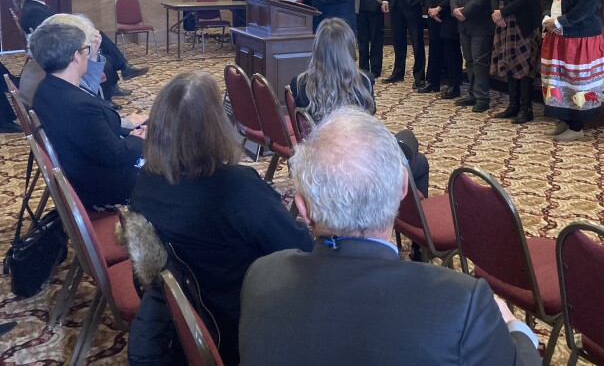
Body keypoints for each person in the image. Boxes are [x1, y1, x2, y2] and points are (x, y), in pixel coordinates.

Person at [238, 106, 542, 366]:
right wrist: (517, 330)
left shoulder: (262, 276)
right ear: (403, 187)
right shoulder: (463, 305)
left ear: (303, 209)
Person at [129, 72, 313, 364]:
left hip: (193, 325)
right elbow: (303, 252)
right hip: (245, 326)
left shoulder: (145, 184)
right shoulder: (237, 188)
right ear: (216, 127)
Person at [291, 18, 429, 197]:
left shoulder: (299, 84)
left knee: (405, 142)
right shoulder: (364, 81)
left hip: (320, 163)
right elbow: (368, 126)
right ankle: (405, 218)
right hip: (359, 165)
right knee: (418, 157)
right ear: (350, 49)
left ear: (317, 49)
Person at [29, 21, 146, 208]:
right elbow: (116, 154)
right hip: (106, 184)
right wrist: (140, 140)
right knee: (181, 163)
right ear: (75, 56)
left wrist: (131, 134)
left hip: (86, 170)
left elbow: (98, 140)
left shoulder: (47, 88)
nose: (87, 54)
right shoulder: (77, 105)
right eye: (85, 49)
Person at [14, 0, 148, 97]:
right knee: (102, 50)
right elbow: (52, 32)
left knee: (101, 47)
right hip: (57, 50)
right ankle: (116, 79)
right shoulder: (33, 10)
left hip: (59, 44)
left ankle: (118, 76)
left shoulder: (35, 6)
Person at [19, 13, 138, 127]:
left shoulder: (43, 64)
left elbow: (89, 96)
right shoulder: (59, 75)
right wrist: (129, 125)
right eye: (84, 45)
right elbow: (91, 104)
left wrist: (92, 56)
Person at [541, 0, 604, 142]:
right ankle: (564, 119)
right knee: (558, 79)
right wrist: (546, 19)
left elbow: (586, 7)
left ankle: (577, 127)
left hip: (579, 37)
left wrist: (560, 22)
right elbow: (551, 1)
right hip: (558, 34)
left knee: (576, 80)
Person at [491, 0, 543, 124]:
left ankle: (526, 108)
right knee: (509, 63)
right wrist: (496, 11)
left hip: (524, 23)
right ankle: (512, 106)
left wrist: (502, 13)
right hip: (505, 23)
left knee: (524, 67)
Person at [450, 0, 500, 113]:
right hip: (463, 24)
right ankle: (472, 93)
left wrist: (465, 11)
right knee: (469, 60)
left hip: (480, 24)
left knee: (479, 61)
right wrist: (455, 9)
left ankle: (482, 97)